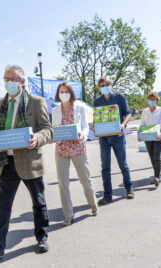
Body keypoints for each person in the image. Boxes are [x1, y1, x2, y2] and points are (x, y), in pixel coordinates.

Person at [0, 65, 53, 259]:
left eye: (12, 78)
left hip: (30, 160)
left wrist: (37, 138)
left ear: (22, 82)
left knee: (39, 201)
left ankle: (42, 237)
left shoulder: (36, 102)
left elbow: (47, 129)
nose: (8, 82)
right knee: (2, 205)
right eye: (6, 78)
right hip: (6, 161)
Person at [52, 82, 98, 226]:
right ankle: (68, 214)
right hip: (61, 149)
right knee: (63, 183)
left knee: (85, 179)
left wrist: (83, 136)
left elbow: (85, 126)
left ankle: (93, 203)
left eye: (66, 91)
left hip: (78, 147)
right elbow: (54, 128)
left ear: (71, 93)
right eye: (61, 92)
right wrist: (54, 137)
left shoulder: (80, 107)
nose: (63, 94)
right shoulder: (55, 110)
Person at [93, 76, 134, 205]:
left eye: (106, 84)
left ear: (111, 85)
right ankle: (107, 195)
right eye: (102, 85)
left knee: (123, 164)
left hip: (118, 137)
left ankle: (129, 188)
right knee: (105, 167)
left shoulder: (119, 98)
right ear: (99, 87)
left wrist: (123, 124)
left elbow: (128, 114)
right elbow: (96, 118)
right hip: (104, 139)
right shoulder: (97, 101)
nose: (104, 87)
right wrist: (94, 127)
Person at [139, 92, 161, 186]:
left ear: (156, 100)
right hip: (148, 137)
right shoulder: (145, 111)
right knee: (151, 157)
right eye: (150, 99)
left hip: (158, 136)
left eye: (153, 100)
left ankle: (157, 177)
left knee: (157, 157)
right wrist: (140, 135)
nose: (152, 101)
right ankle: (157, 175)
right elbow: (142, 124)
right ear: (148, 100)